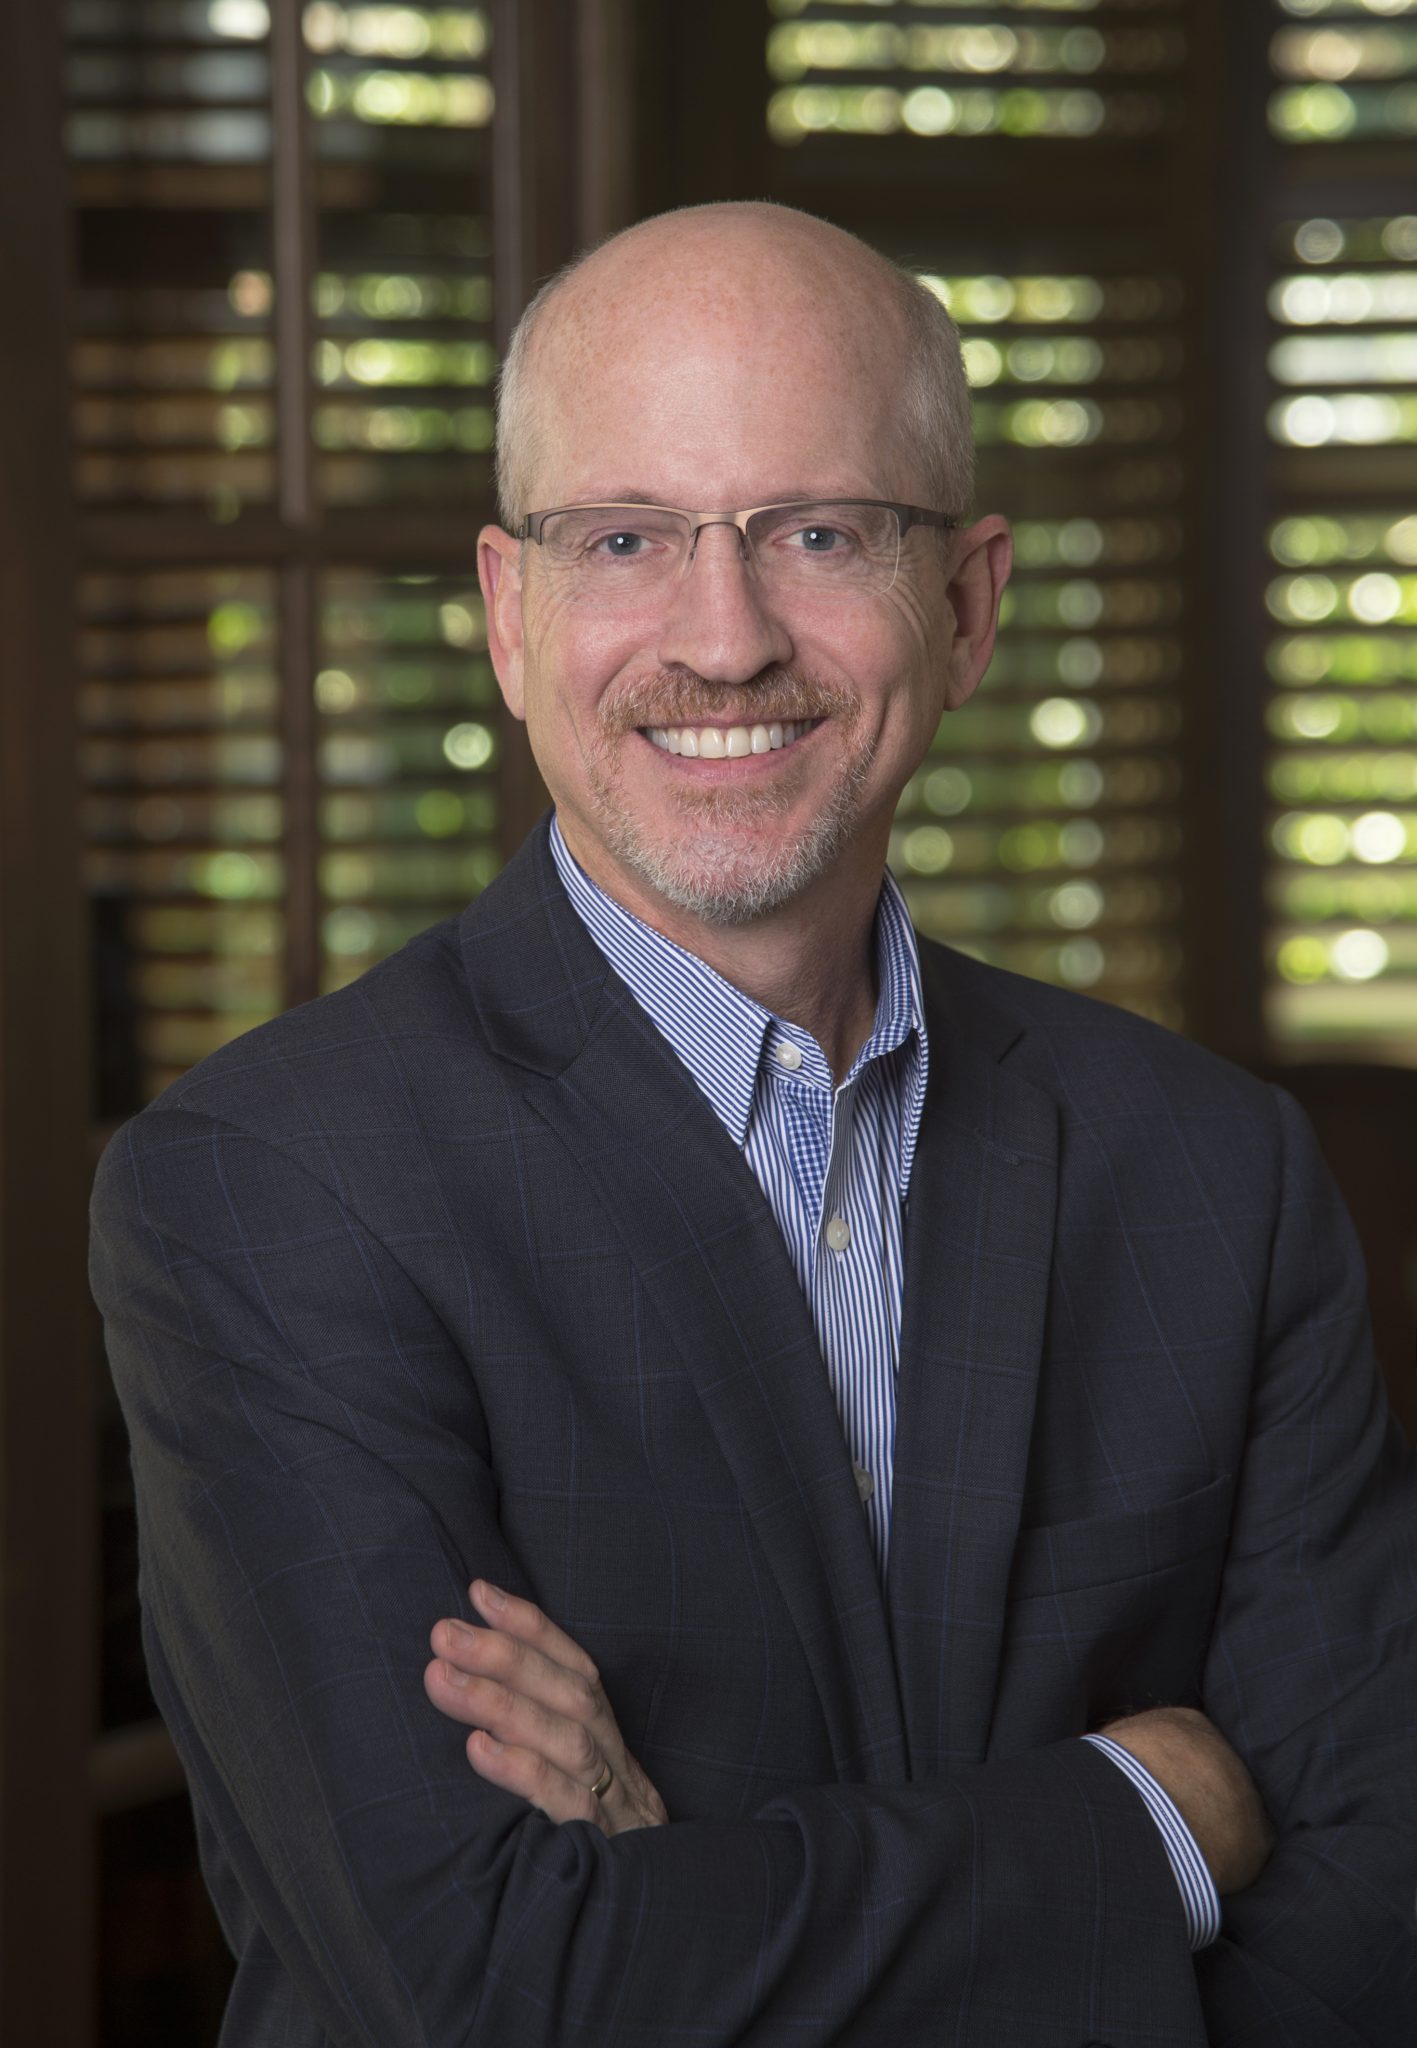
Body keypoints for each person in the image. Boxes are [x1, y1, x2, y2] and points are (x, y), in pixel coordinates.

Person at [90, 203, 1417, 2047]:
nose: (723, 642)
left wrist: (688, 1883)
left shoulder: (1215, 1170)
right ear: (510, 614)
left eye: (819, 532)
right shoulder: (269, 1188)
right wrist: (1151, 1817)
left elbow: (1375, 1935)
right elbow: (494, 1987)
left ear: (965, 607)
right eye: (624, 538)